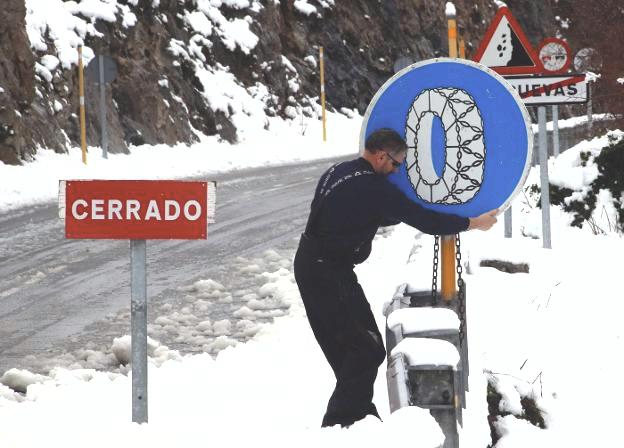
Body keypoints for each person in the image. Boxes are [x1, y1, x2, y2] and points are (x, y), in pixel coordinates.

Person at [294, 128, 497, 428]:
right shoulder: (374, 188)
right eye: (396, 163)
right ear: (380, 155)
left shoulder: (339, 172)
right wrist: (472, 222)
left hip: (320, 266)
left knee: (361, 350)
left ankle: (359, 417)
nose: (397, 170)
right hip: (325, 271)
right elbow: (423, 219)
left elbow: (369, 212)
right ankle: (338, 425)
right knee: (364, 350)